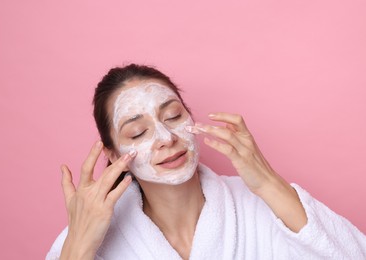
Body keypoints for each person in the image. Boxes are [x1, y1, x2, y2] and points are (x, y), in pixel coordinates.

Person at [47, 64, 366, 260]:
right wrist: (78, 248)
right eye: (138, 132)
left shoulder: (260, 207)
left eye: (173, 116)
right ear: (114, 155)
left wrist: (269, 183)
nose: (166, 137)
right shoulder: (89, 236)